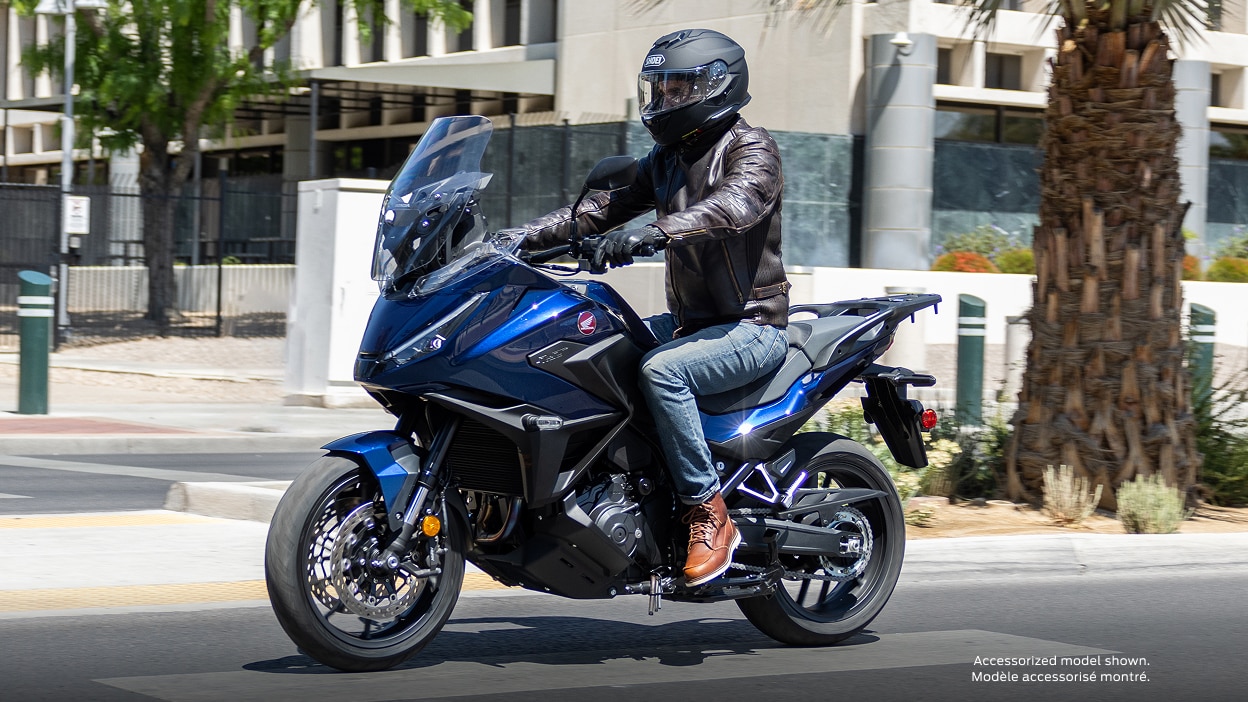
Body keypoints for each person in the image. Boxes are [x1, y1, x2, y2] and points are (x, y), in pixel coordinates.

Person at [520, 28, 789, 587]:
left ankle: (706, 511)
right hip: (692, 321)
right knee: (590, 343)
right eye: (658, 88)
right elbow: (600, 209)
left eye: (675, 88)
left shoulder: (753, 148)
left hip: (752, 324)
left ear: (716, 86)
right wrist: (515, 239)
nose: (662, 100)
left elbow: (733, 207)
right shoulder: (667, 159)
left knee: (660, 370)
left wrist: (653, 234)